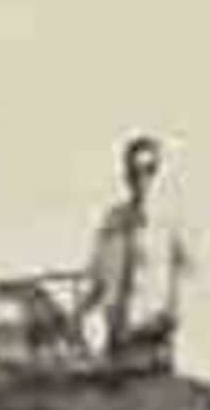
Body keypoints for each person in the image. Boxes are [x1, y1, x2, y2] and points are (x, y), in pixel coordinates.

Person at [77, 134, 182, 361]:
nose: (142, 179)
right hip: (118, 342)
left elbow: (194, 280)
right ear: (126, 176)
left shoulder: (171, 225)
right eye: (135, 172)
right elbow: (95, 280)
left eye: (149, 170)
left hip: (154, 342)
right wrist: (75, 318)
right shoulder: (113, 222)